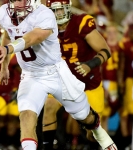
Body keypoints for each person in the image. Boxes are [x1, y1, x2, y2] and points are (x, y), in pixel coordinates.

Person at [0, 0, 117, 149]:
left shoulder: (56, 17)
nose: (58, 13)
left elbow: (34, 37)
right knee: (35, 113)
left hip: (72, 76)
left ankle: (96, 132)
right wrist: (5, 65)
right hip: (41, 75)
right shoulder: (12, 15)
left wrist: (89, 65)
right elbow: (10, 33)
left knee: (86, 120)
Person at [41, 0, 116, 149]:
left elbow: (106, 51)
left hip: (88, 82)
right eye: (54, 10)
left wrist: (90, 65)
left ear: (68, 8)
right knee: (49, 106)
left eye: (61, 10)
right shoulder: (45, 27)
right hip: (63, 81)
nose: (58, 14)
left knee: (92, 129)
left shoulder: (81, 23)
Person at [117, 23, 133, 149]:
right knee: (128, 112)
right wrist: (120, 83)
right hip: (129, 81)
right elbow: (121, 66)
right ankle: (127, 141)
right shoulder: (126, 45)